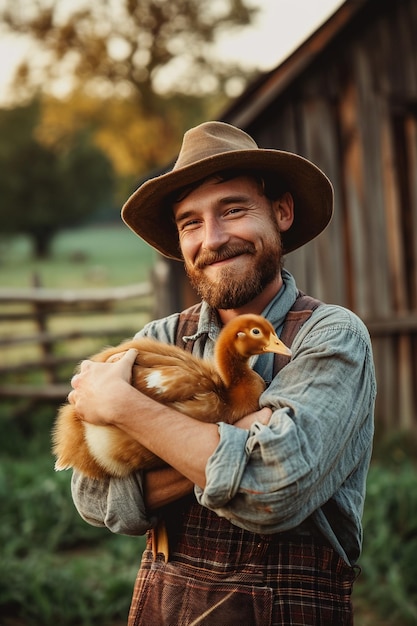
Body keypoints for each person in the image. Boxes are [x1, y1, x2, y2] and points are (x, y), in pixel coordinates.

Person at [69, 121, 376, 625]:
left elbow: (271, 491)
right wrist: (240, 437)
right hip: (163, 609)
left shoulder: (331, 336)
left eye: (233, 210)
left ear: (281, 212)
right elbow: (94, 493)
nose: (212, 238)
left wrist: (125, 408)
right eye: (190, 222)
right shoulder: (163, 338)